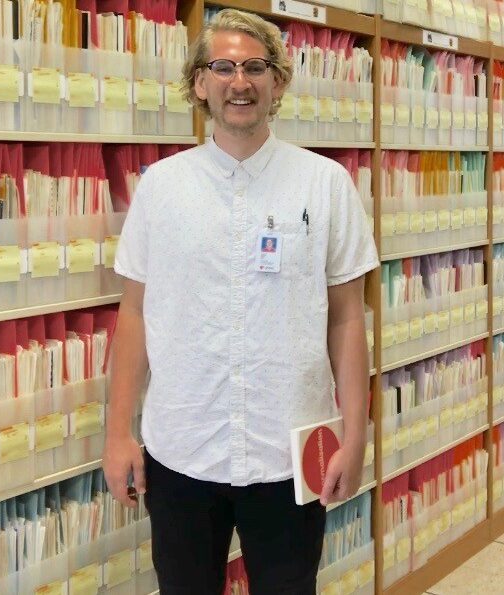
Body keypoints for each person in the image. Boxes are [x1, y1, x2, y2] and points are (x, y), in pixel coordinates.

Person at [103, 8, 378, 595]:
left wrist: (356, 436)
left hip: (288, 452)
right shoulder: (161, 187)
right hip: (182, 449)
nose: (239, 81)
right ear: (199, 82)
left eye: (255, 66)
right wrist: (116, 433)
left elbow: (348, 319)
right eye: (222, 67)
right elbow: (133, 313)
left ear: (278, 80)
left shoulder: (325, 184)